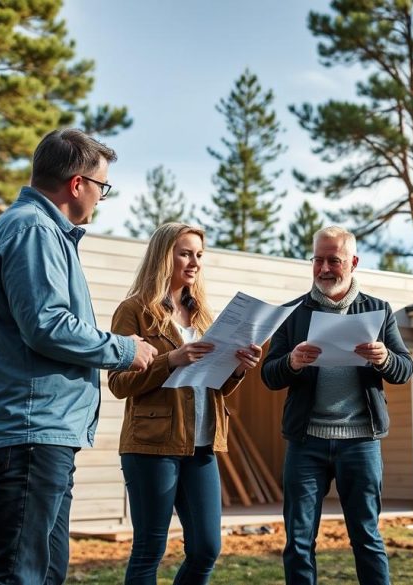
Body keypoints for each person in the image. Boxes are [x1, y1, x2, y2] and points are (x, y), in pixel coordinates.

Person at [0, 128, 159, 584]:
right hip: (30, 432)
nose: (102, 197)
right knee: (19, 573)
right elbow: (47, 326)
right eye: (103, 186)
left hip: (23, 432)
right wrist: (124, 348)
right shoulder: (35, 230)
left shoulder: (28, 228)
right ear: (77, 183)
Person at [108, 222, 263, 585]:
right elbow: (118, 383)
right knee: (149, 549)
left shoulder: (206, 317)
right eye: (185, 253)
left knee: (207, 548)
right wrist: (170, 360)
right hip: (151, 445)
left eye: (199, 255)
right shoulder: (133, 311)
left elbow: (214, 386)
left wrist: (238, 368)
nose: (194, 262)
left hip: (202, 445)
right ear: (164, 256)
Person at [261, 225, 413, 585]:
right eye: (318, 260)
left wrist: (384, 358)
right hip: (305, 442)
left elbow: (404, 370)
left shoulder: (378, 310)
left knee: (366, 537)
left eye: (334, 260)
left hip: (361, 442)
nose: (325, 268)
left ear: (353, 262)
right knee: (298, 541)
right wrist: (292, 363)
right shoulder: (293, 313)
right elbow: (269, 375)